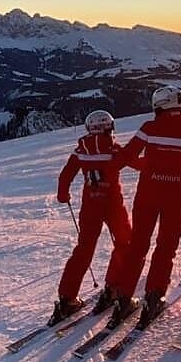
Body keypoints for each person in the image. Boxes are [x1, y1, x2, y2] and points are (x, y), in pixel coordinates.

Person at [107, 86, 181, 329]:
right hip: (176, 193)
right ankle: (153, 297)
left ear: (158, 105)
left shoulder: (149, 128)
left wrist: (146, 165)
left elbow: (124, 157)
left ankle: (123, 299)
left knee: (137, 246)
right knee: (166, 247)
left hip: (147, 192)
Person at [50, 110, 133, 324]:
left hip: (90, 204)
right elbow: (136, 163)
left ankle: (67, 297)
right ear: (109, 128)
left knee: (84, 248)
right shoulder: (114, 149)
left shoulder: (81, 150)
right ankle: (114, 287)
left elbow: (66, 175)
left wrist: (63, 194)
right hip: (113, 203)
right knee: (125, 242)